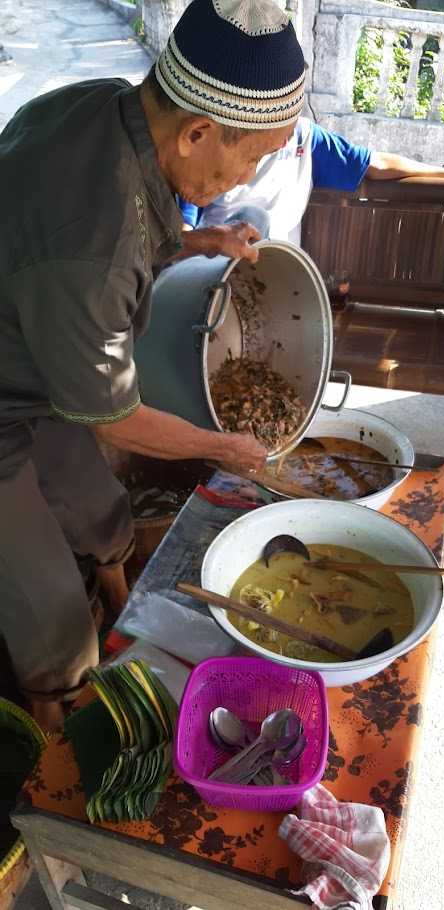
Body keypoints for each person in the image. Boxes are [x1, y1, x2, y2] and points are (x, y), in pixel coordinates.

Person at [0, 0, 306, 730]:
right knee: (49, 621)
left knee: (101, 508)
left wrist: (199, 244)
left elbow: (121, 231)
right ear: (198, 131)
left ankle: (117, 601)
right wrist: (222, 447)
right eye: (253, 155)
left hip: (35, 362)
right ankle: (60, 741)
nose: (249, 174)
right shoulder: (92, 237)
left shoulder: (106, 107)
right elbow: (113, 413)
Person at [180, 116, 444, 243]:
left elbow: (375, 163)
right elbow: (183, 226)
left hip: (277, 269)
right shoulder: (221, 134)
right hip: (214, 264)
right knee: (253, 217)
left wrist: (442, 174)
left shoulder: (306, 137)